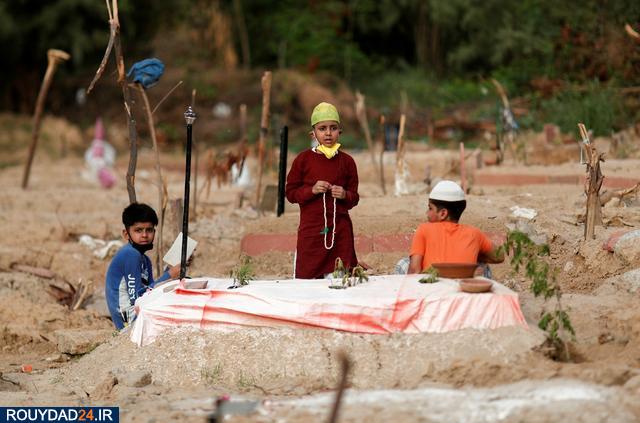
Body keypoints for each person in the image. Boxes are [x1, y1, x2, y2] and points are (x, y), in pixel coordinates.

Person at [286, 102, 359, 279]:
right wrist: (311, 190)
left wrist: (344, 194)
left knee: (340, 281)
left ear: (339, 132)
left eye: (333, 128)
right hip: (312, 232)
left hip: (340, 233)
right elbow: (291, 193)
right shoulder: (303, 160)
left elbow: (354, 198)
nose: (328, 133)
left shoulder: (347, 162)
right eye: (322, 128)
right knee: (307, 281)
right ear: (313, 133)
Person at [105, 203, 181, 329]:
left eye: (149, 230)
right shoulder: (131, 254)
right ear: (126, 234)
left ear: (154, 232)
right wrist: (169, 275)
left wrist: (172, 270)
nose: (145, 235)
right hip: (129, 322)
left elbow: (151, 289)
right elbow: (137, 298)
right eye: (138, 230)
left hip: (138, 313)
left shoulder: (145, 259)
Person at [407, 180, 504, 274]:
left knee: (404, 263)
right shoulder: (474, 233)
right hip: (462, 284)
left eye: (430, 208)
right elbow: (499, 256)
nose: (427, 213)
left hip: (433, 283)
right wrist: (474, 253)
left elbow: (414, 270)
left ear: (443, 213)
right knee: (482, 266)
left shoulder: (424, 229)